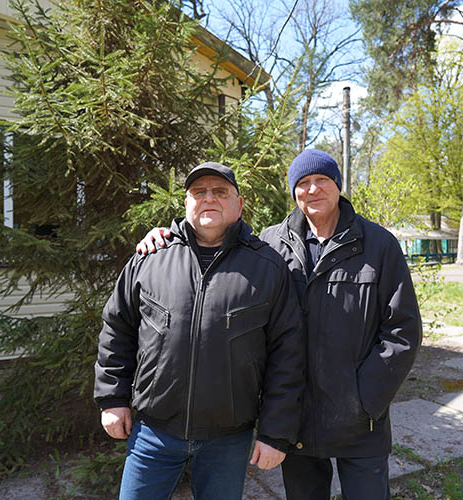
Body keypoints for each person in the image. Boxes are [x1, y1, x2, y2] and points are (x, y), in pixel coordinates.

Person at [137, 149, 422, 500]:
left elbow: (402, 331)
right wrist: (167, 236)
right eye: (303, 183)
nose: (313, 189)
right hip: (296, 418)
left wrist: (365, 397)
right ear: (293, 192)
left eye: (322, 180)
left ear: (338, 185)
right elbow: (219, 250)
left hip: (360, 420)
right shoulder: (272, 243)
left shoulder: (378, 245)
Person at [95, 162, 305, 500]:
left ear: (239, 204)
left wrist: (275, 433)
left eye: (220, 192)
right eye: (199, 192)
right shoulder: (150, 257)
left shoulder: (267, 267)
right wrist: (112, 399)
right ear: (186, 203)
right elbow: (117, 328)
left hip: (228, 439)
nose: (209, 198)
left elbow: (288, 353)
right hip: (153, 432)